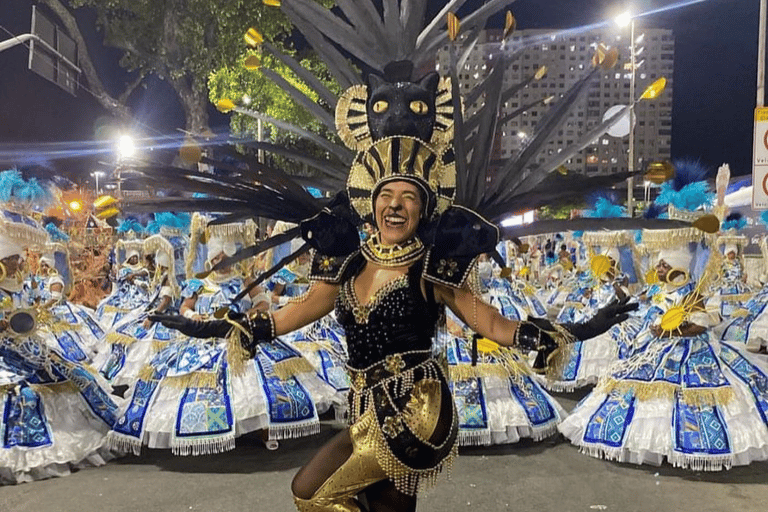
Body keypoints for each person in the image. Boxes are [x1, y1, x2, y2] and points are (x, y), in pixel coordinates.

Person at [154, 137, 635, 511]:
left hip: (417, 405)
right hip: (364, 407)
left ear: (422, 210)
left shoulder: (432, 265)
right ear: (373, 205)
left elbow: (487, 320)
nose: (396, 204)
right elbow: (293, 313)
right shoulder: (346, 265)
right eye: (388, 194)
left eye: (409, 197)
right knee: (364, 503)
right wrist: (214, 328)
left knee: (315, 493)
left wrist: (580, 329)